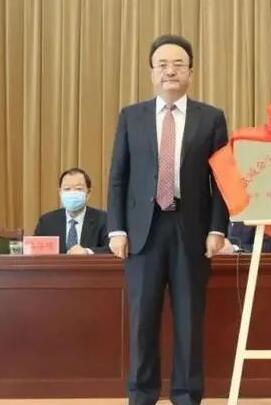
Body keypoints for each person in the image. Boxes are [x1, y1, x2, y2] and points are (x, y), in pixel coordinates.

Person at [107, 34, 229, 405]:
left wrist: (217, 228)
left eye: (178, 64)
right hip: (142, 231)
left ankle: (187, 395)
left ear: (191, 72)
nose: (170, 71)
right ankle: (141, 395)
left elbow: (222, 179)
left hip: (190, 229)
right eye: (162, 65)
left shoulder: (211, 118)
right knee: (142, 319)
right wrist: (116, 228)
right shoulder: (132, 116)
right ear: (151, 72)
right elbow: (118, 176)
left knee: (189, 319)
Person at [34, 167, 108, 254]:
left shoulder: (103, 220)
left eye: (78, 189)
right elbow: (34, 250)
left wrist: (87, 252)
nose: (72, 193)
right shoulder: (46, 222)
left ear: (88, 193)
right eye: (67, 189)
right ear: (60, 192)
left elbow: (112, 248)